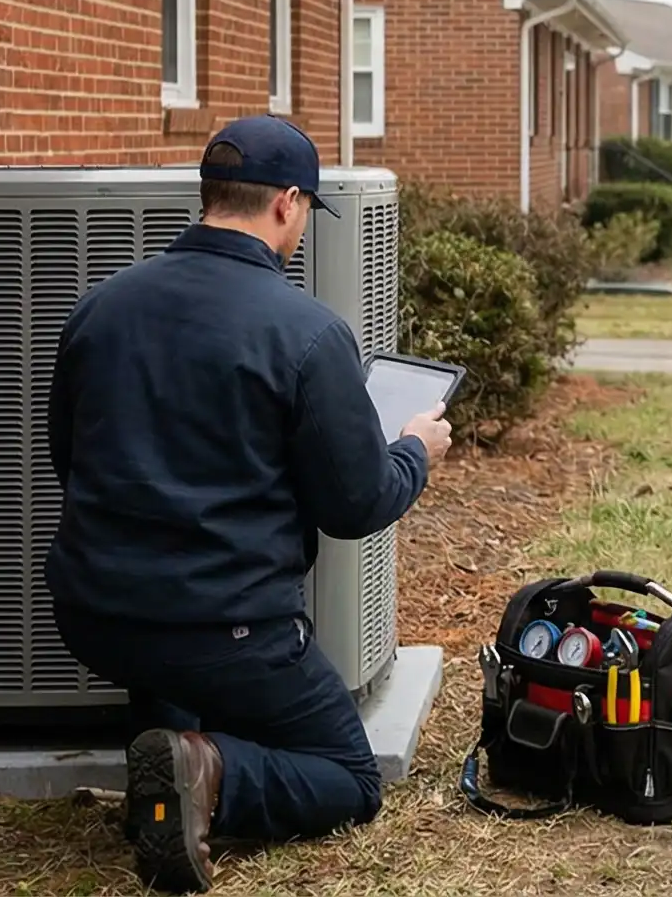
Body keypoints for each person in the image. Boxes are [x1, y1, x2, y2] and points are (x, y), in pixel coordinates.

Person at [44, 117, 452, 893]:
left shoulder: (101, 308)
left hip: (96, 617)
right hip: (224, 632)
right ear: (288, 204)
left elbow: (70, 462)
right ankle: (205, 768)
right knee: (347, 776)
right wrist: (412, 450)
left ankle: (168, 746)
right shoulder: (306, 332)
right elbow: (356, 505)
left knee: (174, 656)